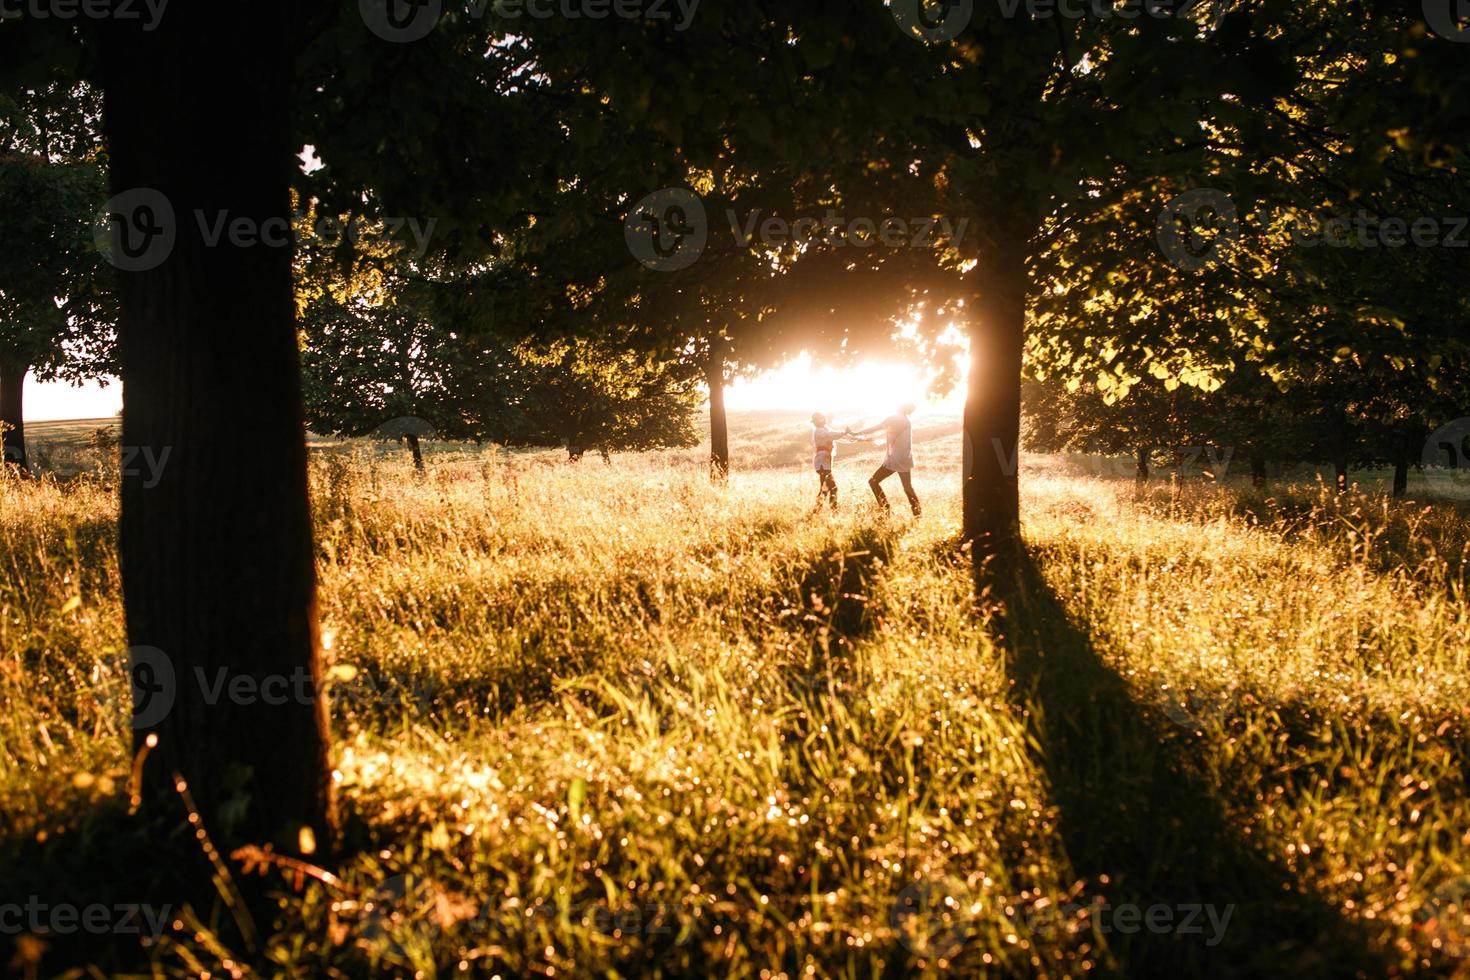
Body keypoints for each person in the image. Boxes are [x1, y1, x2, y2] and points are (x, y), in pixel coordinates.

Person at [853, 403, 920, 516]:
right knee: (907, 487)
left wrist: (857, 434)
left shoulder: (894, 418)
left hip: (895, 458)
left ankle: (886, 509)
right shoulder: (906, 420)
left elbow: (876, 428)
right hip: (905, 458)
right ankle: (917, 514)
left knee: (873, 481)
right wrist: (862, 437)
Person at [810, 412, 849, 511]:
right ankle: (832, 511)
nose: (824, 420)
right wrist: (844, 432)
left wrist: (848, 434)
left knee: (825, 490)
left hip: (824, 463)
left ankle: (818, 511)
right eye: (821, 419)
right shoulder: (820, 431)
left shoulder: (823, 430)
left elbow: (834, 434)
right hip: (822, 463)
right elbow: (832, 435)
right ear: (818, 421)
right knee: (832, 489)